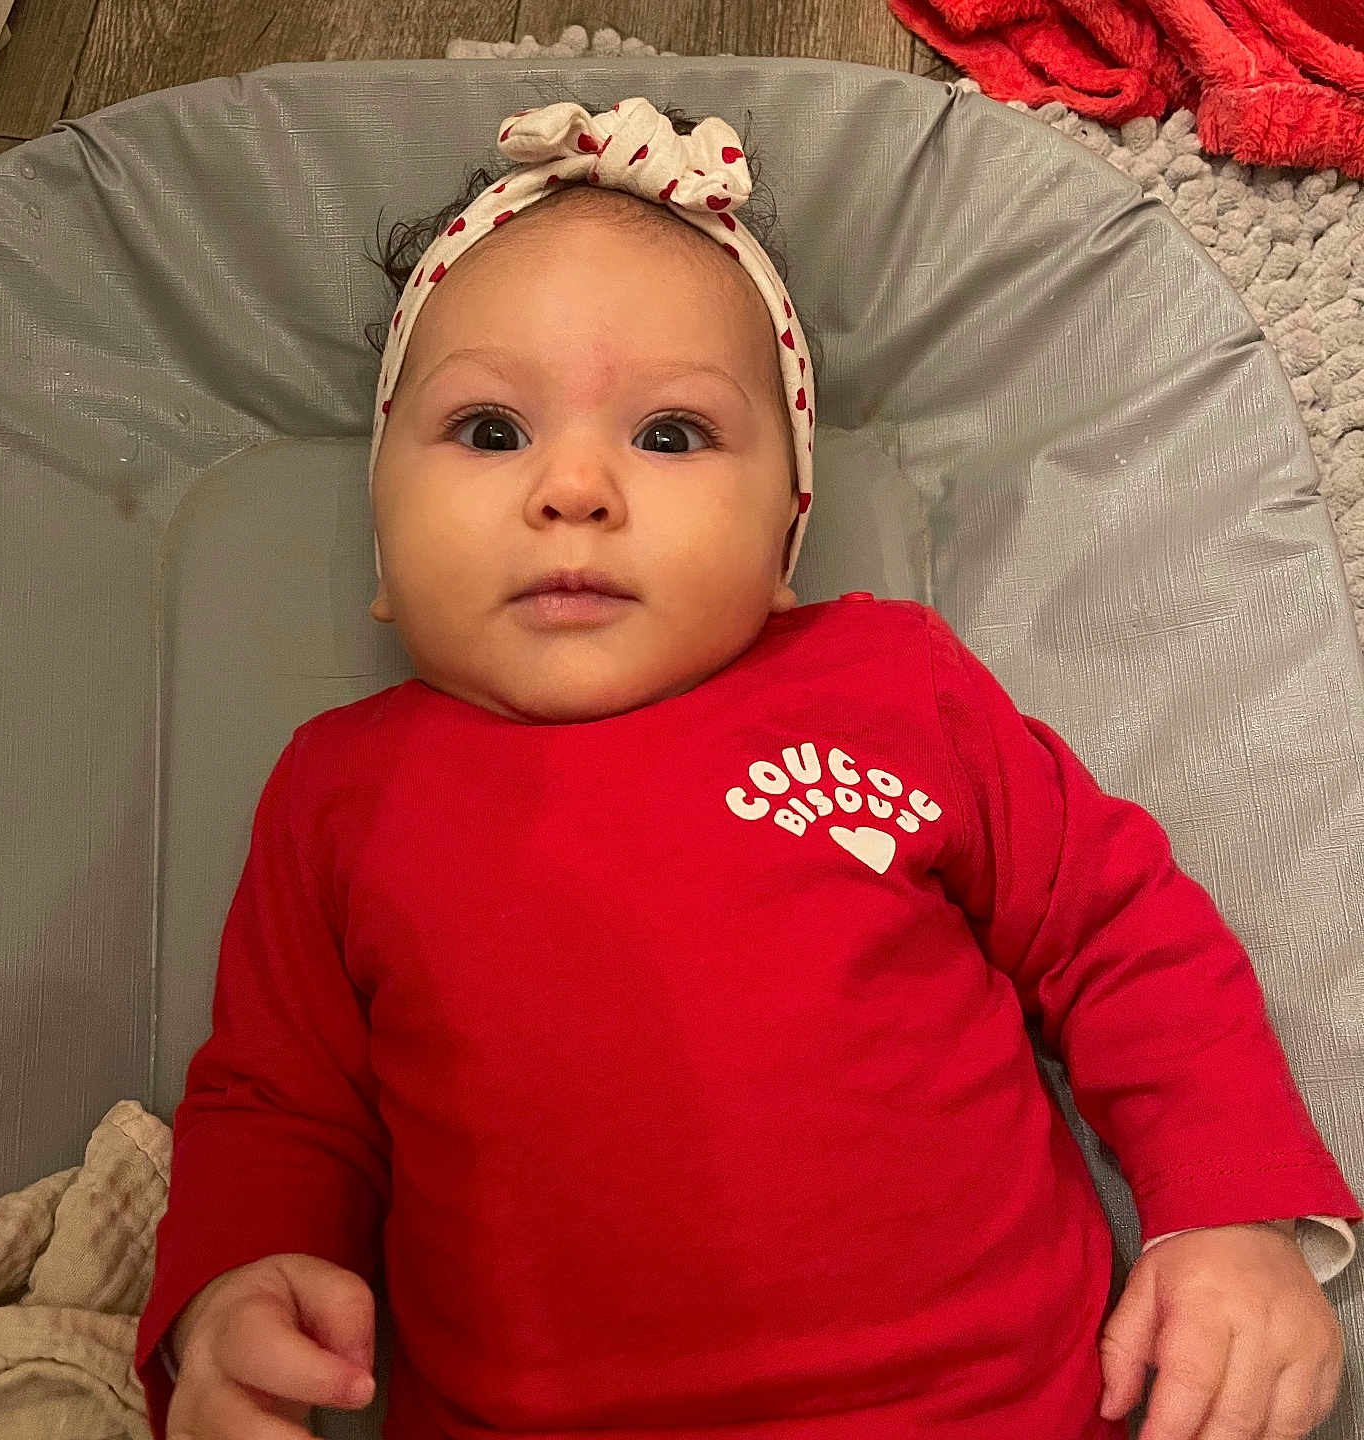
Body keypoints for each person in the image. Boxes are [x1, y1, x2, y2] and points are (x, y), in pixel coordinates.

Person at [134, 92, 1361, 1440]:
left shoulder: (892, 684)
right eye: (491, 431)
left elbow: (1120, 932)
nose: (576, 488)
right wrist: (235, 1295)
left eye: (671, 434)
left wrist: (1228, 1210)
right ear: (383, 553)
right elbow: (280, 1099)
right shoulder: (341, 791)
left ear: (787, 540)